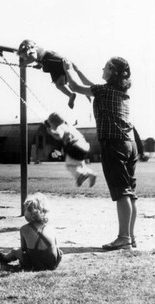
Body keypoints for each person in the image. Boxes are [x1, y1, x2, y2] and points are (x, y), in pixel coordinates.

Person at [63, 56, 137, 250]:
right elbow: (91, 85)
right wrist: (78, 70)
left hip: (114, 145)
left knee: (121, 193)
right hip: (130, 144)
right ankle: (131, 236)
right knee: (130, 193)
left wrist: (68, 69)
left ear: (112, 71)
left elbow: (76, 87)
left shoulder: (103, 91)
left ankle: (123, 238)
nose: (102, 69)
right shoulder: (120, 91)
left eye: (105, 67)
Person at [0, 193, 62, 271]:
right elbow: (56, 247)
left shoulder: (24, 229)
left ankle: (4, 258)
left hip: (34, 264)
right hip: (52, 263)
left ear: (29, 213)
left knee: (15, 250)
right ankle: (6, 257)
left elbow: (24, 250)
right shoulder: (50, 228)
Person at [18, 39, 90, 109]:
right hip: (53, 63)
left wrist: (23, 63)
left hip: (53, 62)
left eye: (24, 57)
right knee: (59, 84)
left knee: (64, 84)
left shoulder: (30, 49)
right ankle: (72, 95)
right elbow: (37, 59)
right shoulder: (35, 52)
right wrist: (39, 65)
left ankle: (74, 94)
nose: (25, 59)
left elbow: (33, 58)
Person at [45, 112, 97, 187]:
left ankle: (80, 175)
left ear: (54, 123)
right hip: (84, 146)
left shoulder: (60, 127)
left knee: (70, 166)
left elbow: (60, 136)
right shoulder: (69, 126)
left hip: (75, 147)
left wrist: (51, 133)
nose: (51, 126)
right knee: (81, 166)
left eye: (51, 124)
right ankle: (92, 174)